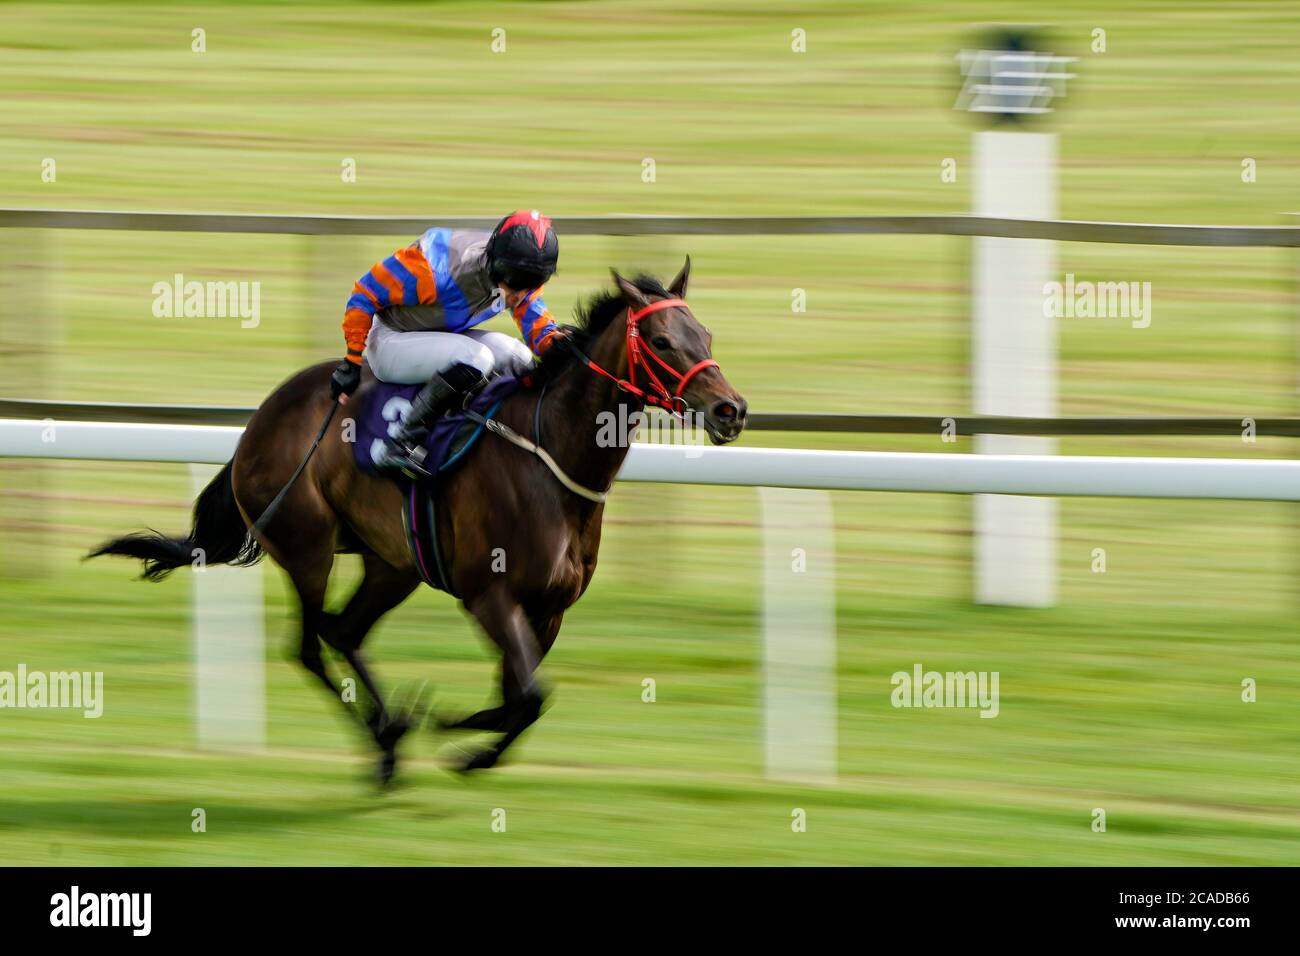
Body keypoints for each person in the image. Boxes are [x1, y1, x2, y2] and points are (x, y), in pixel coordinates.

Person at [328, 210, 561, 478]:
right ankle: (401, 441)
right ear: (497, 264)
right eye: (516, 282)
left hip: (440, 333)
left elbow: (538, 327)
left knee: (518, 356)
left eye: (533, 283)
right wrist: (352, 360)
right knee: (479, 358)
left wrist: (557, 344)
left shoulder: (517, 271)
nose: (520, 295)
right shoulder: (431, 269)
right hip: (391, 339)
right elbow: (364, 293)